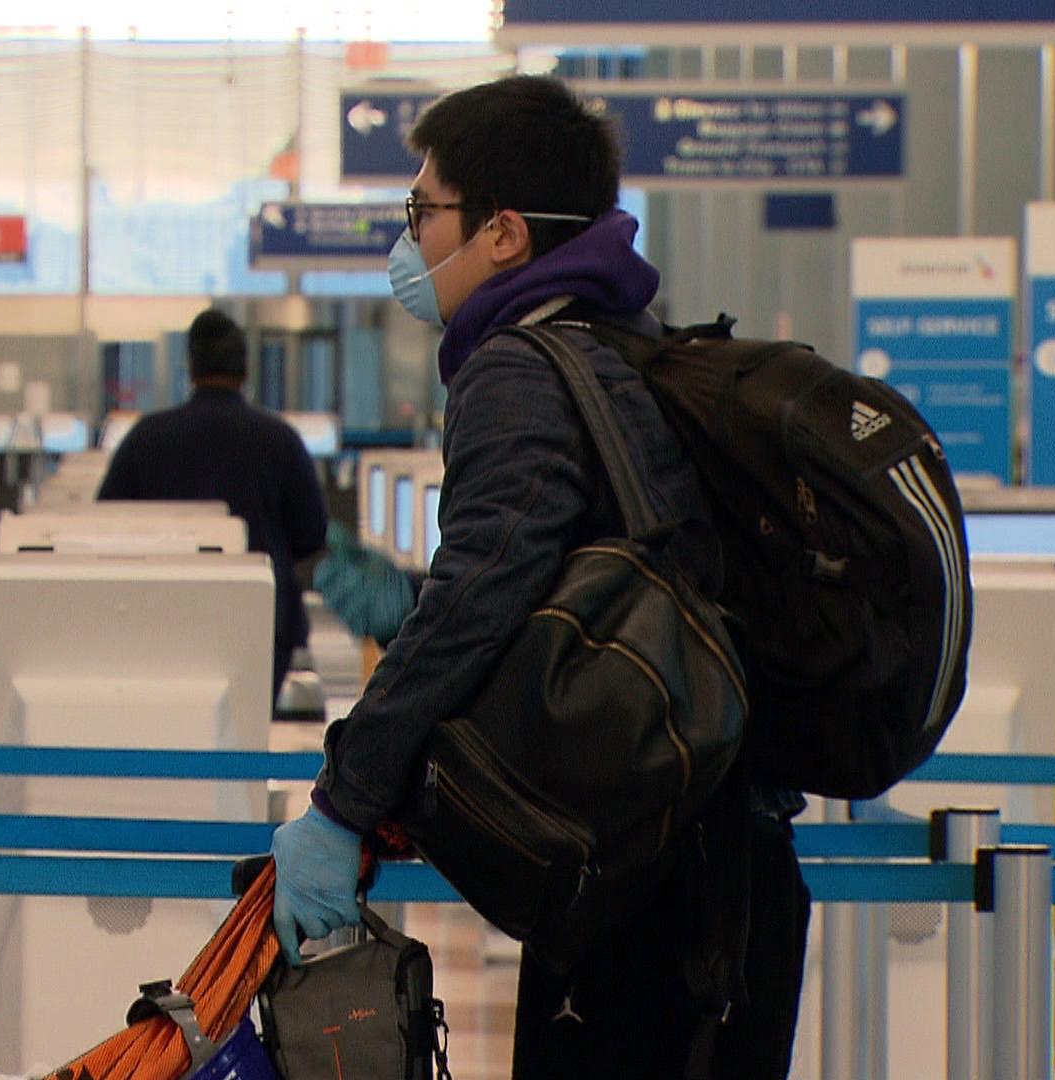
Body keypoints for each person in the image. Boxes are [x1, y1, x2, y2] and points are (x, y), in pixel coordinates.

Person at [269, 76, 809, 1079]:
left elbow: (483, 593)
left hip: (646, 888)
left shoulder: (519, 367)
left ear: (505, 234)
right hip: (716, 859)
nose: (411, 241)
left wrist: (344, 802)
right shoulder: (630, 345)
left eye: (422, 211)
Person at [96, 309, 330, 697]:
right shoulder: (279, 440)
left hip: (161, 619)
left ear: (191, 368)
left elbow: (106, 525)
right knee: (249, 731)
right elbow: (311, 534)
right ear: (245, 371)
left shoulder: (148, 438)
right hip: (263, 621)